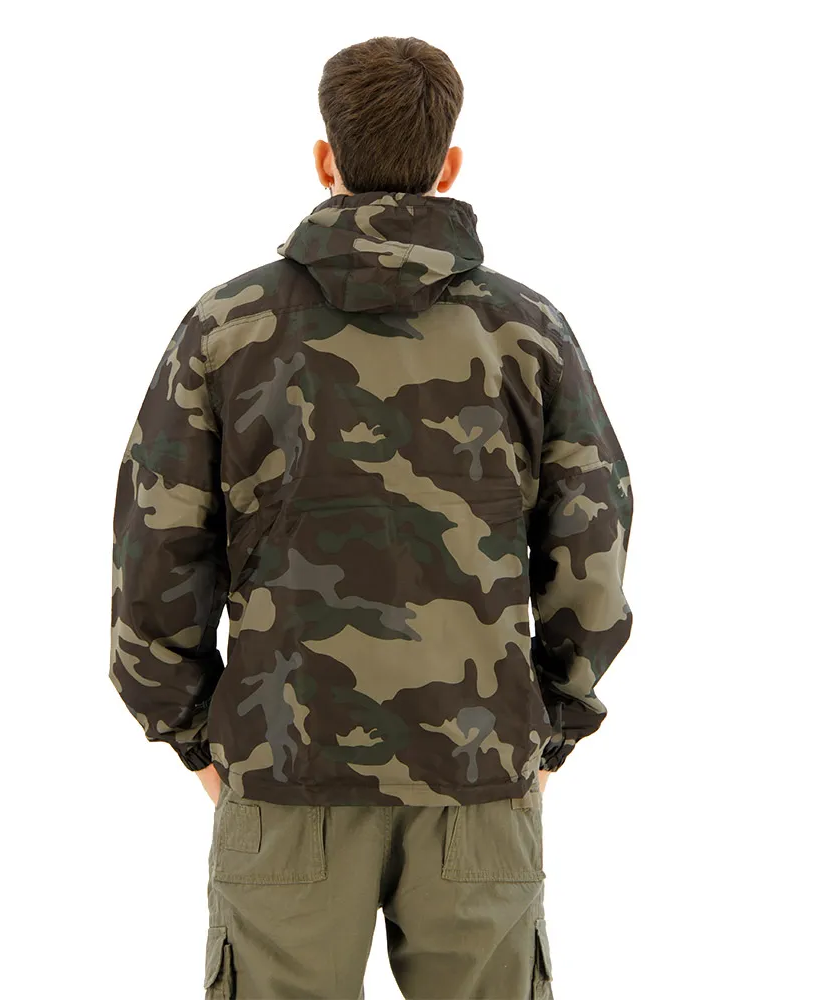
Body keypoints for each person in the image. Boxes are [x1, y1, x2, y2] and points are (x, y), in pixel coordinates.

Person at [109, 34, 634, 1000]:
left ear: (325, 158)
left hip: (284, 774)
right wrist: (551, 729)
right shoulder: (528, 333)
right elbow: (591, 546)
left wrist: (194, 738)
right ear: (449, 165)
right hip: (477, 778)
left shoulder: (227, 328)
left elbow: (156, 552)